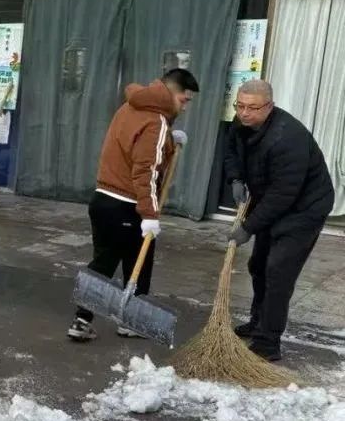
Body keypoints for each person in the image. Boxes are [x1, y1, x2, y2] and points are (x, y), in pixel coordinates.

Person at [67, 68, 199, 342]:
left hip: (103, 199)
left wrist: (169, 144)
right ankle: (130, 321)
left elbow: (132, 147)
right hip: (128, 205)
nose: (184, 108)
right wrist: (150, 214)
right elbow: (146, 172)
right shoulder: (157, 121)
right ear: (171, 92)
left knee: (104, 260)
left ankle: (82, 320)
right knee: (138, 262)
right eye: (184, 101)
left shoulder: (130, 106)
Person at [223, 79, 334, 361]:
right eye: (240, 106)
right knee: (257, 265)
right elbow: (231, 151)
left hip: (303, 210)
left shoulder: (287, 138)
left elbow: (283, 194)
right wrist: (236, 177)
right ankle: (257, 322)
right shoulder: (241, 124)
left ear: (269, 106)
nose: (244, 113)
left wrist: (248, 227)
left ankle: (268, 343)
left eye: (252, 107)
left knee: (277, 272)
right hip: (272, 200)